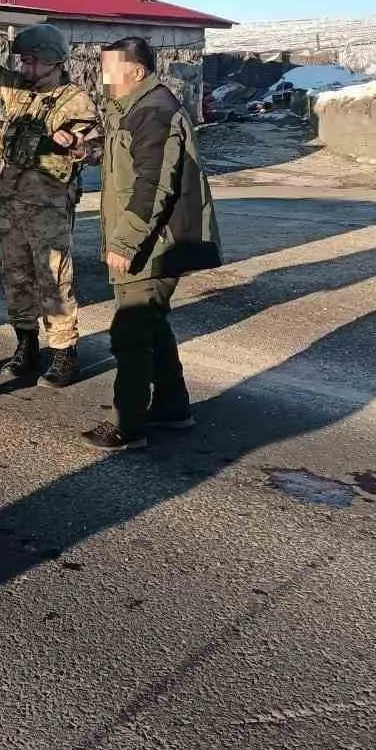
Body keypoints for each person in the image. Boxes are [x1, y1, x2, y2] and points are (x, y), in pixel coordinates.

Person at [87, 37, 221, 450]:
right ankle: (172, 408)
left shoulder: (154, 111)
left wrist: (126, 243)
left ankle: (128, 425)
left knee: (131, 332)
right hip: (152, 239)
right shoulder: (131, 110)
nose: (103, 77)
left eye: (111, 69)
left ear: (138, 71)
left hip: (153, 243)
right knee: (152, 325)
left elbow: (153, 185)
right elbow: (128, 164)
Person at [0, 22, 99, 387]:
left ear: (53, 61)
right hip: (10, 202)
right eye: (22, 61)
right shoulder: (19, 91)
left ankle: (64, 354)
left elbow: (96, 149)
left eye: (31, 62)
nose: (24, 68)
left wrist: (74, 144)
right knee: (15, 276)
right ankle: (25, 345)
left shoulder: (74, 99)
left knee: (54, 278)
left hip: (48, 207)